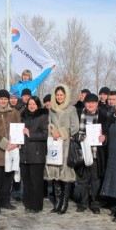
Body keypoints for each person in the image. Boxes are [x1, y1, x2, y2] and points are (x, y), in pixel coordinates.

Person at [44, 84, 79, 215]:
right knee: (55, 174)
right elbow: (48, 124)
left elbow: (75, 127)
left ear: (66, 96)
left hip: (66, 144)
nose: (59, 97)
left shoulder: (71, 109)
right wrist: (52, 130)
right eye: (57, 95)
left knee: (65, 174)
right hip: (54, 144)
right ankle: (57, 202)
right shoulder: (51, 109)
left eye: (61, 95)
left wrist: (62, 132)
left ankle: (64, 203)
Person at [0, 89, 21, 214]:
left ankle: (5, 201)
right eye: (1, 99)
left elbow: (18, 128)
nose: (3, 101)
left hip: (12, 151)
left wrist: (16, 143)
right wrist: (5, 144)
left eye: (5, 99)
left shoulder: (14, 112)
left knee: (8, 179)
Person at [76, 93, 107, 214]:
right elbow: (72, 130)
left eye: (93, 103)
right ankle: (83, 203)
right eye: (88, 102)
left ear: (97, 104)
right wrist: (79, 137)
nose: (90, 105)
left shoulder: (103, 117)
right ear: (84, 103)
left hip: (96, 153)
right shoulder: (78, 114)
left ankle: (95, 203)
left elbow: (107, 133)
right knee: (82, 179)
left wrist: (104, 138)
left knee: (95, 180)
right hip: (81, 152)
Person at [20, 96, 48, 213]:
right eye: (29, 104)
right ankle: (28, 204)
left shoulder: (42, 116)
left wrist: (30, 134)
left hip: (37, 154)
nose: (31, 106)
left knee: (36, 182)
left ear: (38, 105)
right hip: (24, 153)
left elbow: (45, 134)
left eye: (34, 104)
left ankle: (36, 205)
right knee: (26, 181)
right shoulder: (23, 117)